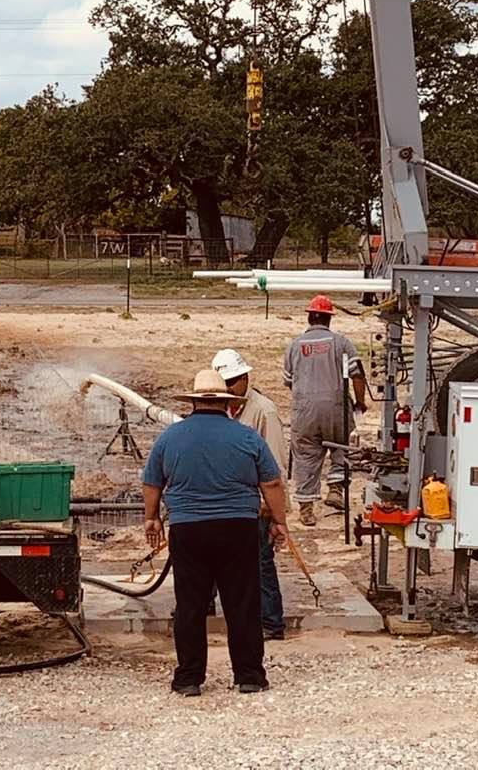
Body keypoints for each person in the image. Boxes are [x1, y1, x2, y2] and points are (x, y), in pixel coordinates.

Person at [142, 369, 288, 697]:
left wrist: (151, 518)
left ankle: (189, 678)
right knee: (242, 602)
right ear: (226, 404)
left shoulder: (170, 437)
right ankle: (249, 675)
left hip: (188, 529)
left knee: (191, 604)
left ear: (194, 402)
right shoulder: (247, 436)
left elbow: (152, 481)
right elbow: (272, 482)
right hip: (238, 527)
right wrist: (279, 521)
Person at [212, 348, 287, 641]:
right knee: (212, 557)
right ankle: (203, 608)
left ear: (245, 377)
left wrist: (273, 509)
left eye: (233, 382)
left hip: (255, 503)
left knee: (260, 562)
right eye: (224, 384)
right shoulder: (222, 409)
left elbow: (276, 463)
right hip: (225, 499)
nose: (229, 388)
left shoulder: (263, 411)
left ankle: (271, 622)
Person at [283, 295, 367, 527]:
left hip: (304, 412)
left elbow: (289, 381)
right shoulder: (341, 343)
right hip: (335, 409)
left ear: (310, 317)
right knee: (342, 448)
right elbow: (357, 375)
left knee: (306, 457)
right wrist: (359, 402)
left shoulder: (294, 346)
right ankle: (335, 490)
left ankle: (307, 509)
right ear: (329, 319)